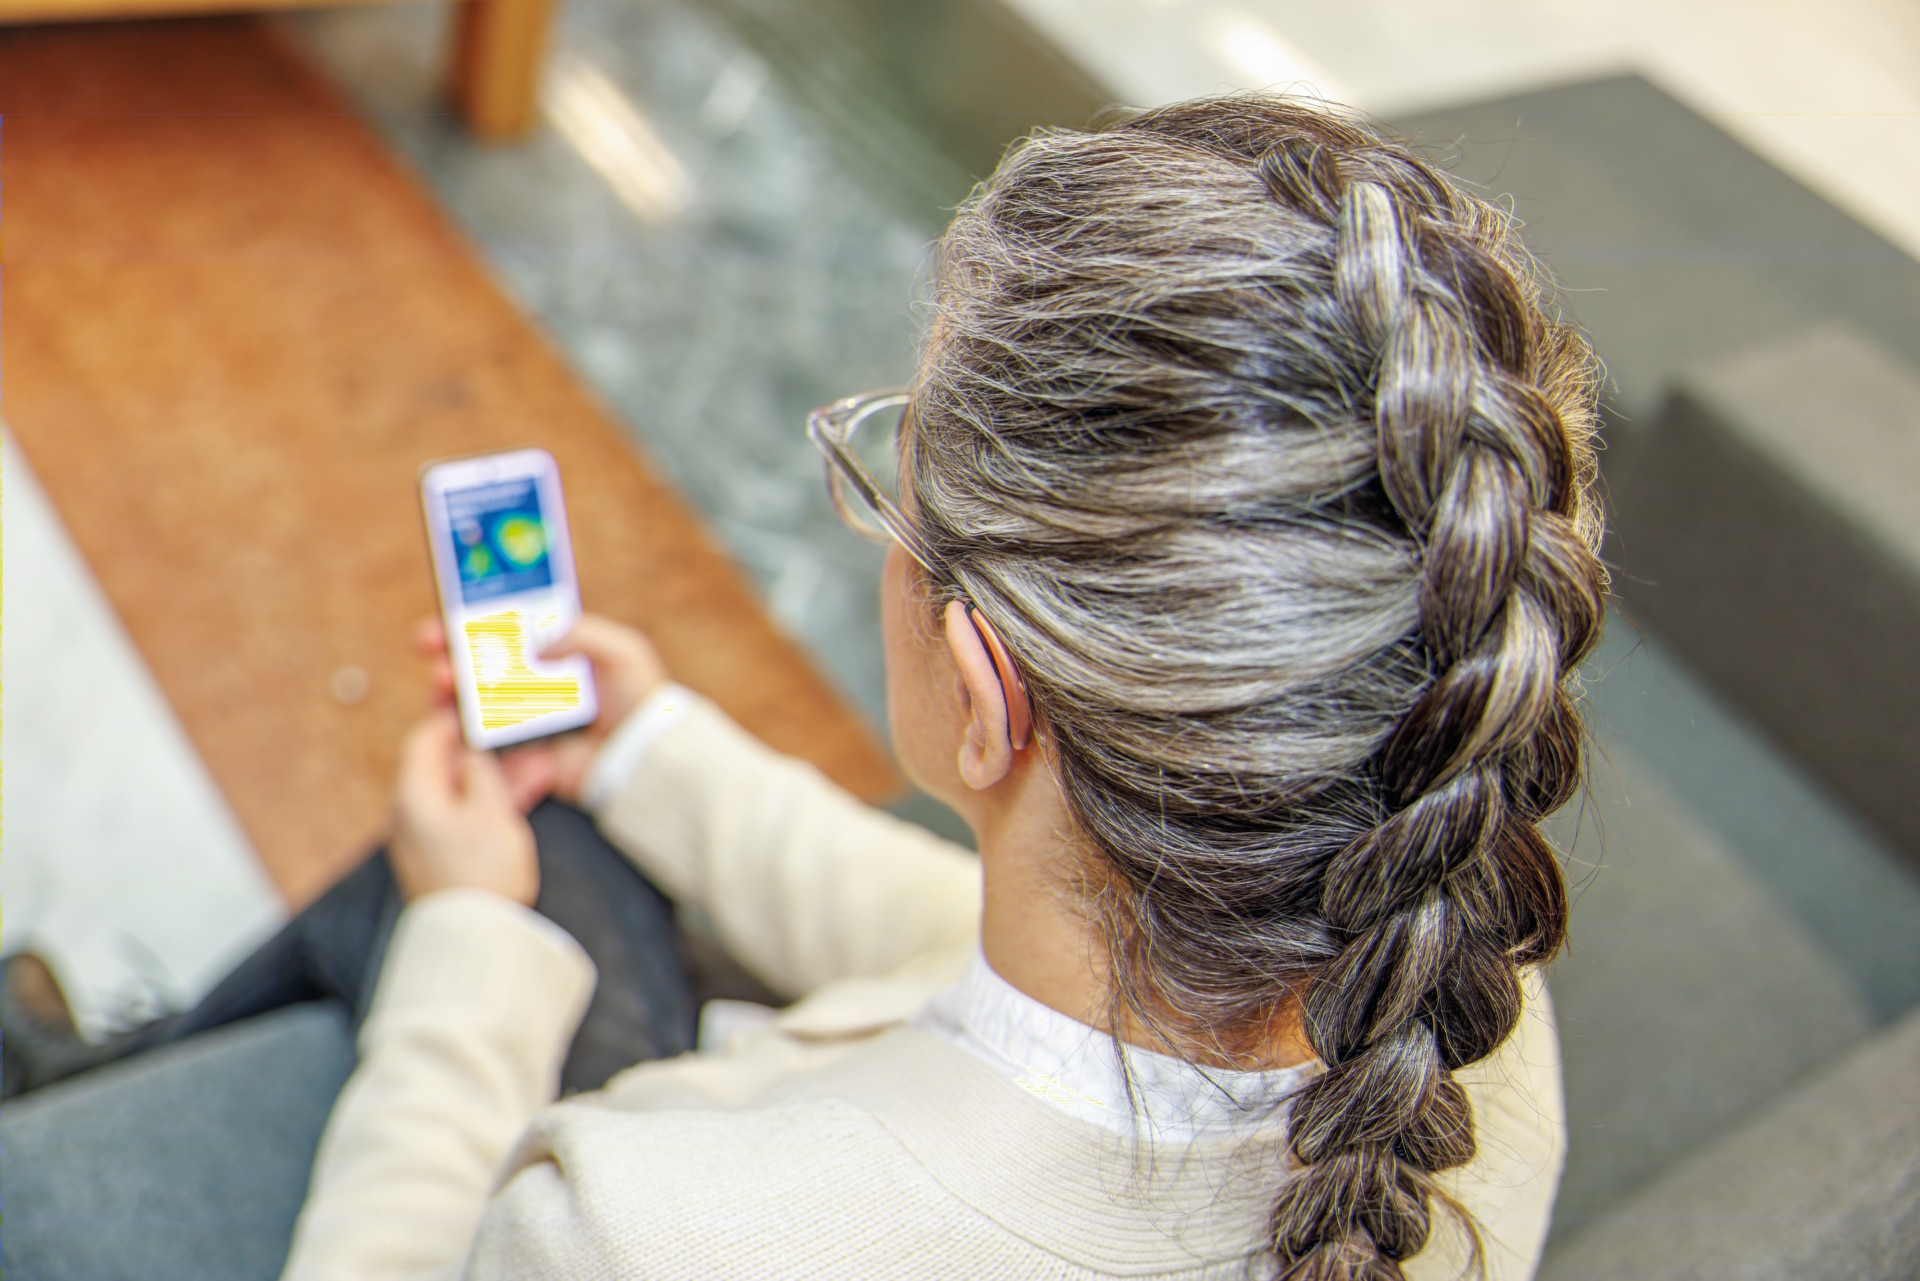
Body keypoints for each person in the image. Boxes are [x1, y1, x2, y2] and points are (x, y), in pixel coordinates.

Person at [4, 93, 1605, 1280]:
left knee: (488, 880)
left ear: (984, 693)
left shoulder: (642, 1233)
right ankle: (77, 1059)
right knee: (554, 821)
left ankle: (63, 1087)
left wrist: (468, 949)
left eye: (897, 473)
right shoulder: (1462, 990)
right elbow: (975, 933)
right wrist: (645, 748)